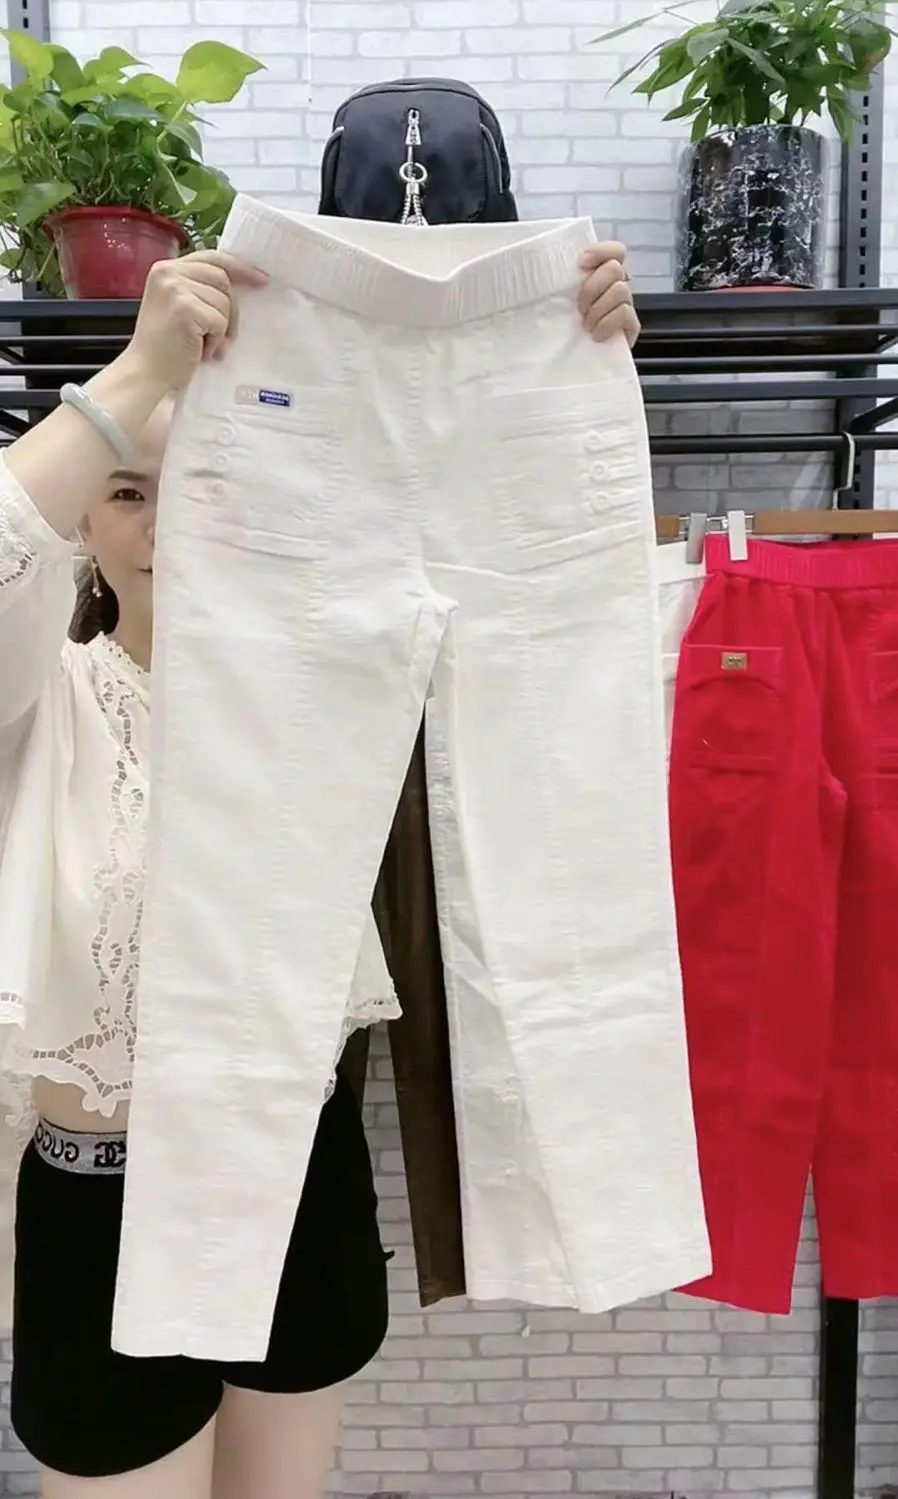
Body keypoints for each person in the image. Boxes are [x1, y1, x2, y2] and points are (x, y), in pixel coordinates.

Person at [0, 239, 640, 1499]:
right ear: (84, 518)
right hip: (107, 1208)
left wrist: (563, 368)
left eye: (205, 482)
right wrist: (136, 375)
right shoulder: (43, 707)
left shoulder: (335, 690)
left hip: (305, 1176)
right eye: (129, 492)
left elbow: (534, 630)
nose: (167, 524)